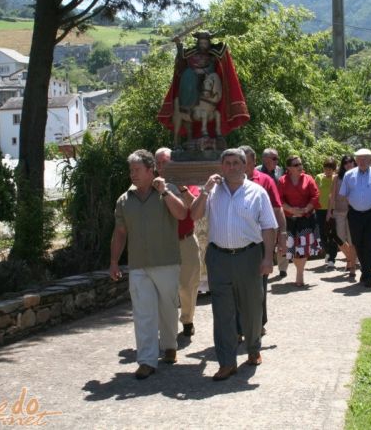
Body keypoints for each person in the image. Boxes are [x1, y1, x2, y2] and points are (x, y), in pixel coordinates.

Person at [190, 148, 277, 381]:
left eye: (236, 163)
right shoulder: (212, 192)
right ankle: (227, 362)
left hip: (249, 256)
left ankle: (253, 348)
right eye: (227, 163)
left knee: (251, 308)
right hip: (219, 258)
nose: (231, 167)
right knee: (222, 312)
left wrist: (268, 258)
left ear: (245, 165)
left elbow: (269, 226)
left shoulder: (257, 193)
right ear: (222, 166)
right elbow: (194, 215)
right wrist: (205, 191)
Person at [109, 150, 188, 380]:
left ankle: (170, 344)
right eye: (130, 170)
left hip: (166, 262)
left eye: (136, 170)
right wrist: (114, 261)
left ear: (150, 169)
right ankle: (146, 360)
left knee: (168, 309)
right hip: (138, 266)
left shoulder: (167, 190)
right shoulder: (124, 200)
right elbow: (120, 232)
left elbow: (182, 214)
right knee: (143, 314)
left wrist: (164, 192)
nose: (132, 174)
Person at [158, 31, 249, 146]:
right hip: (193, 74)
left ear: (209, 42)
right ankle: (187, 107)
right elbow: (182, 56)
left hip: (208, 75)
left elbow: (218, 62)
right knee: (188, 75)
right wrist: (178, 44)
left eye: (205, 43)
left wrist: (204, 71)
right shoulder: (192, 52)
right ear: (198, 43)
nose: (203, 45)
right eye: (201, 42)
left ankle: (215, 122)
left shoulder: (213, 53)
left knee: (211, 81)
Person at [239, 145, 286, 336]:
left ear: (252, 161)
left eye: (246, 162)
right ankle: (239, 325)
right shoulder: (227, 182)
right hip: (236, 241)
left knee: (259, 285)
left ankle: (259, 322)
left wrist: (282, 234)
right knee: (238, 286)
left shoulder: (265, 181)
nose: (242, 167)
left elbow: (277, 208)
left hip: (259, 242)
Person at [155, 147, 201, 338]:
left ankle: (188, 320)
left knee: (188, 285)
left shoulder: (186, 181)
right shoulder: (152, 185)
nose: (161, 166)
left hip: (186, 240)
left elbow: (194, 205)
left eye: (164, 162)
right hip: (163, 244)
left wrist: (181, 187)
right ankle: (167, 325)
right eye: (158, 163)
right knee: (164, 287)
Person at [339, 148, 371, 288]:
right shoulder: (349, 175)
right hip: (354, 214)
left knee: (370, 243)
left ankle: (367, 275)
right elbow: (344, 195)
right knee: (357, 242)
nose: (362, 161)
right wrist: (352, 206)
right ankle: (365, 269)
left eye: (365, 158)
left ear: (370, 159)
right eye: (359, 158)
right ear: (356, 160)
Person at [278, 155, 320, 287]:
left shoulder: (308, 178)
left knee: (303, 248)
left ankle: (300, 273)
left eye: (300, 164)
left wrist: (306, 208)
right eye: (296, 165)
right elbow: (278, 199)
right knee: (294, 248)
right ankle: (299, 271)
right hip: (290, 219)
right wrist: (291, 210)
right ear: (289, 168)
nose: (300, 166)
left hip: (306, 219)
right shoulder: (282, 181)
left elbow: (315, 195)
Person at [327, 155, 358, 279]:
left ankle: (351, 265)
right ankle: (352, 259)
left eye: (351, 162)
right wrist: (329, 211)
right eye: (346, 162)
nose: (348, 164)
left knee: (351, 239)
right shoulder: (337, 178)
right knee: (339, 238)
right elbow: (332, 195)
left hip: (352, 211)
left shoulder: (358, 175)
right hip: (339, 211)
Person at [258, 147, 287, 278]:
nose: (277, 161)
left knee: (282, 236)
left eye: (277, 158)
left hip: (277, 208)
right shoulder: (257, 172)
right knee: (267, 239)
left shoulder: (280, 170)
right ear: (265, 159)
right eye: (274, 158)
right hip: (263, 212)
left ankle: (283, 268)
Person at [316, 157, 338, 269]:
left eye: (330, 169)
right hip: (320, 210)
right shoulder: (319, 177)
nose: (328, 171)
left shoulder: (336, 179)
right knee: (322, 234)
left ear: (334, 169)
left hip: (332, 209)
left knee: (332, 234)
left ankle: (332, 258)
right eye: (326, 168)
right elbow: (315, 192)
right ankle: (328, 252)